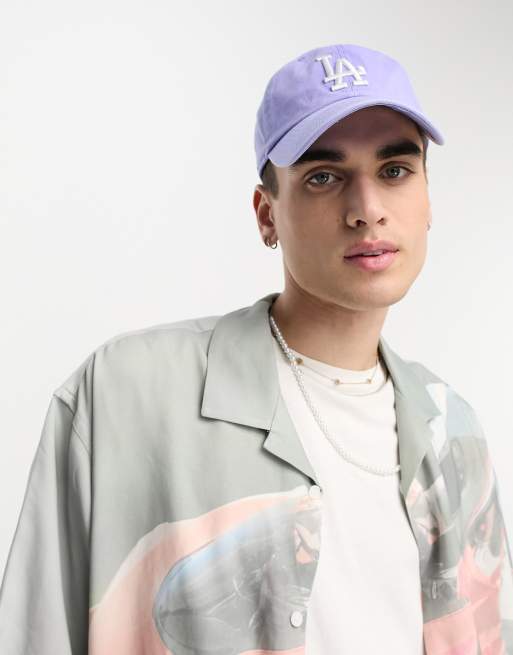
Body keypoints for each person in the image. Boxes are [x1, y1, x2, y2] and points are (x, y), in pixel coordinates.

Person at [0, 43, 512, 655]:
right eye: (323, 177)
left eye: (395, 171)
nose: (367, 210)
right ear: (267, 214)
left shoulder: (454, 431)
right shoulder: (124, 393)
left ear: (428, 198)